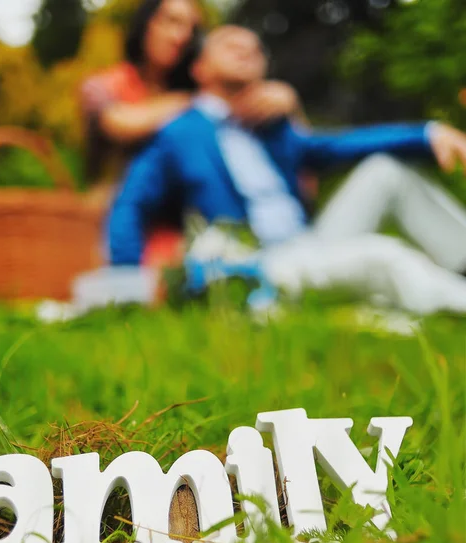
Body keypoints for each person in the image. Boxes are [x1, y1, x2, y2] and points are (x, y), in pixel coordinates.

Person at [106, 26, 466, 315]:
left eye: (256, 48)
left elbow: (336, 146)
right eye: (231, 44)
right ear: (200, 68)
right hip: (259, 263)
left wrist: (425, 133)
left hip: (311, 243)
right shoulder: (180, 132)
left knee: (385, 172)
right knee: (382, 256)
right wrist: (125, 284)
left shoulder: (274, 126)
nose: (247, 50)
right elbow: (130, 202)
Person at [80, 0, 306, 267]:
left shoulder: (202, 93)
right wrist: (200, 100)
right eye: (171, 21)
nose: (182, 35)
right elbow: (121, 123)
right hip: (118, 217)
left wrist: (289, 101)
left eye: (191, 27)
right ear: (145, 23)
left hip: (190, 218)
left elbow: (292, 143)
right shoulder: (106, 85)